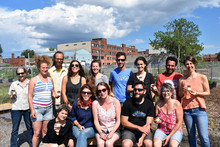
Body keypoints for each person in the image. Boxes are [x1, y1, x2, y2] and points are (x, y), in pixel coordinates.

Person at [178, 56, 210, 147]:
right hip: (187, 110)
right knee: (191, 136)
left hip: (199, 109)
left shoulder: (202, 77)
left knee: (203, 137)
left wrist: (197, 93)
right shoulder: (182, 80)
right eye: (187, 64)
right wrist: (183, 91)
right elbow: (180, 95)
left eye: (191, 63)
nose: (189, 66)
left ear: (194, 64)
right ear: (184, 65)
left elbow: (207, 92)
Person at [28, 55, 57, 147]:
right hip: (37, 109)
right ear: (39, 68)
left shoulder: (50, 79)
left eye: (46, 67)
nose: (45, 69)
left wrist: (55, 95)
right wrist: (32, 110)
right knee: (37, 133)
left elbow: (53, 92)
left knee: (45, 131)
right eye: (43, 68)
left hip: (48, 108)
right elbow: (29, 96)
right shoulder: (33, 80)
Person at [121, 81, 154, 147]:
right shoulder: (128, 103)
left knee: (148, 143)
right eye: (135, 89)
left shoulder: (149, 104)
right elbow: (124, 122)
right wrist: (139, 128)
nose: (137, 92)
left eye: (139, 90)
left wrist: (142, 137)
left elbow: (148, 124)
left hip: (144, 130)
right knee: (126, 144)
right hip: (130, 130)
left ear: (144, 91)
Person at [9, 67, 33, 147]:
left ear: (25, 73)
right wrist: (12, 95)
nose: (21, 75)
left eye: (22, 73)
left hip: (27, 108)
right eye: (19, 74)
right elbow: (11, 96)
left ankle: (32, 143)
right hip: (16, 109)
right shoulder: (14, 84)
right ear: (17, 75)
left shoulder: (30, 83)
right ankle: (13, 145)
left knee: (29, 127)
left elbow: (34, 95)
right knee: (15, 129)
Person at [92, 82, 121, 147]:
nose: (102, 92)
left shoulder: (115, 102)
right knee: (100, 143)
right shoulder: (95, 103)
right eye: (99, 91)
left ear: (108, 90)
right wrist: (101, 133)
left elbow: (118, 120)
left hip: (114, 129)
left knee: (109, 143)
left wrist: (111, 133)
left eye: (104, 90)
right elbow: (96, 121)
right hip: (101, 129)